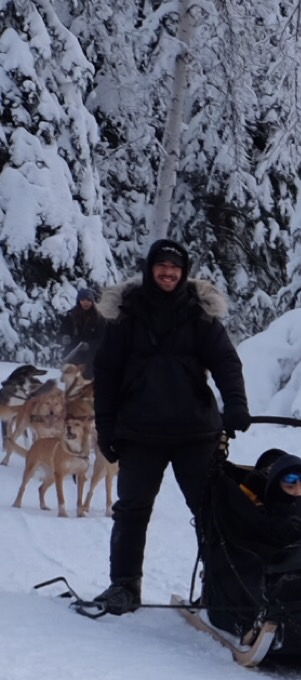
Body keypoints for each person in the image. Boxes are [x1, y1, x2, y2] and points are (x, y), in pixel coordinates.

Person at [90, 239, 250, 615]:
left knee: (212, 513)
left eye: (175, 267)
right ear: (150, 269)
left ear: (184, 272)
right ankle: (125, 585)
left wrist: (237, 405)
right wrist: (105, 427)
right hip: (139, 434)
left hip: (196, 434)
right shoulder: (126, 317)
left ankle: (219, 587)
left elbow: (227, 364)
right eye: (161, 266)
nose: (168, 272)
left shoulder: (200, 317)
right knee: (132, 512)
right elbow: (107, 374)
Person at [61, 288, 106, 374]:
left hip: (90, 360)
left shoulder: (99, 319)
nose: (86, 302)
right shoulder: (70, 316)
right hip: (71, 356)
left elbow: (102, 339)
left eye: (88, 300)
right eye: (83, 300)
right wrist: (64, 338)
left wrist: (89, 345)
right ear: (79, 301)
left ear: (92, 302)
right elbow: (62, 332)